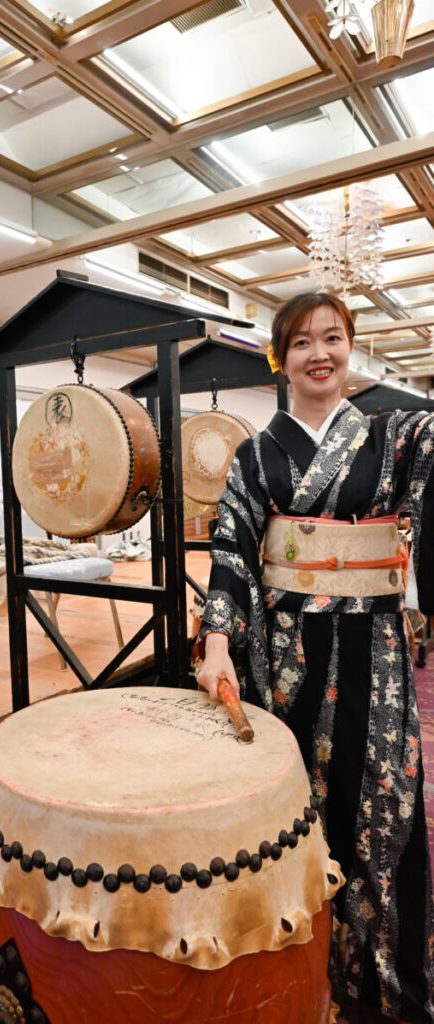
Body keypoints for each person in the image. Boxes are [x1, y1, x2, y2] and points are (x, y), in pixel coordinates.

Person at [196, 292, 434, 1024]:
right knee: (293, 807)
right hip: (287, 656)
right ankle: (294, 969)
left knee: (383, 800)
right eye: (301, 342)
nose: (319, 354)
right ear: (281, 359)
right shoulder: (255, 454)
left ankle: (382, 979)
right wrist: (216, 641)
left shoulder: (394, 436)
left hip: (373, 650)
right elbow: (232, 548)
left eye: (332, 337)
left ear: (351, 348)